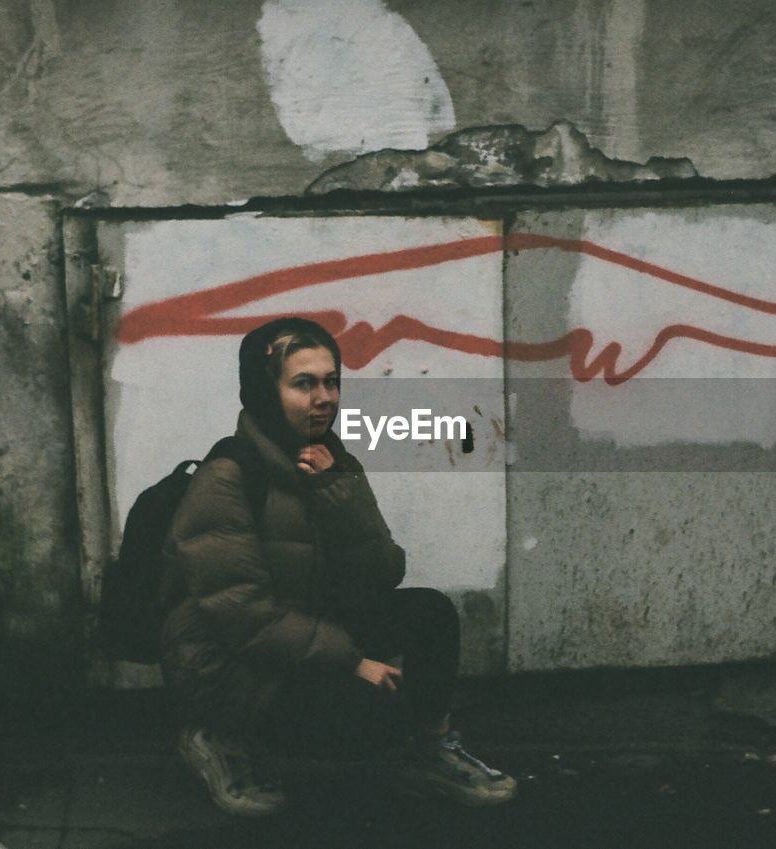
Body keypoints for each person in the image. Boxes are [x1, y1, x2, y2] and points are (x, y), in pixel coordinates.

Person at [158, 316, 516, 816]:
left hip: (301, 631)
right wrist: (352, 662)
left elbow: (384, 573)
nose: (324, 397)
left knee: (429, 613)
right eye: (304, 384)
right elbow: (243, 615)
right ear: (265, 392)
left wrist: (337, 494)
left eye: (331, 381)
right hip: (226, 660)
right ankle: (220, 737)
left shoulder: (330, 460)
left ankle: (430, 751)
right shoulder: (228, 476)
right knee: (367, 720)